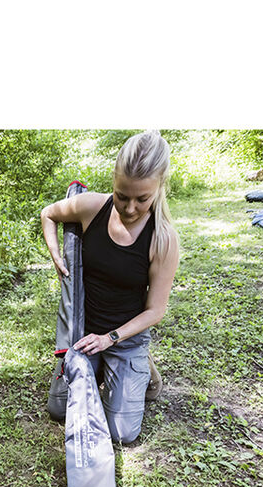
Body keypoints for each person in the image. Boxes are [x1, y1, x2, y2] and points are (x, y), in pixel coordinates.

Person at [40, 130, 180, 444]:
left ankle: (139, 367)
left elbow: (156, 311)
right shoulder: (92, 207)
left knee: (122, 432)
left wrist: (110, 339)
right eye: (122, 196)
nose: (129, 208)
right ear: (114, 182)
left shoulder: (163, 238)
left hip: (125, 339)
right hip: (85, 335)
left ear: (159, 187)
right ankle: (102, 367)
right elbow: (48, 214)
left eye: (142, 199)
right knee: (59, 409)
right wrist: (54, 253)